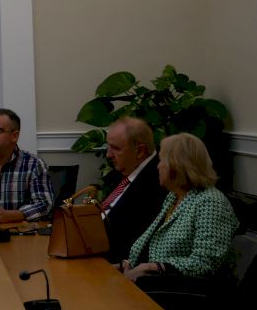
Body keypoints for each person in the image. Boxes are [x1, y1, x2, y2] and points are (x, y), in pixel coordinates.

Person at [122, 133, 237, 280]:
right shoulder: (174, 196)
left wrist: (154, 268)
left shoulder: (211, 202)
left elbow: (205, 263)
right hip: (148, 281)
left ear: (176, 166)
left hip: (176, 288)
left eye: (161, 161)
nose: (158, 166)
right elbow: (153, 244)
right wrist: (127, 265)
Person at [100, 116, 164, 264]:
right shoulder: (125, 170)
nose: (108, 154)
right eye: (109, 146)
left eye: (116, 148)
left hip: (114, 264)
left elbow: (129, 239)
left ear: (140, 151)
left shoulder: (157, 181)